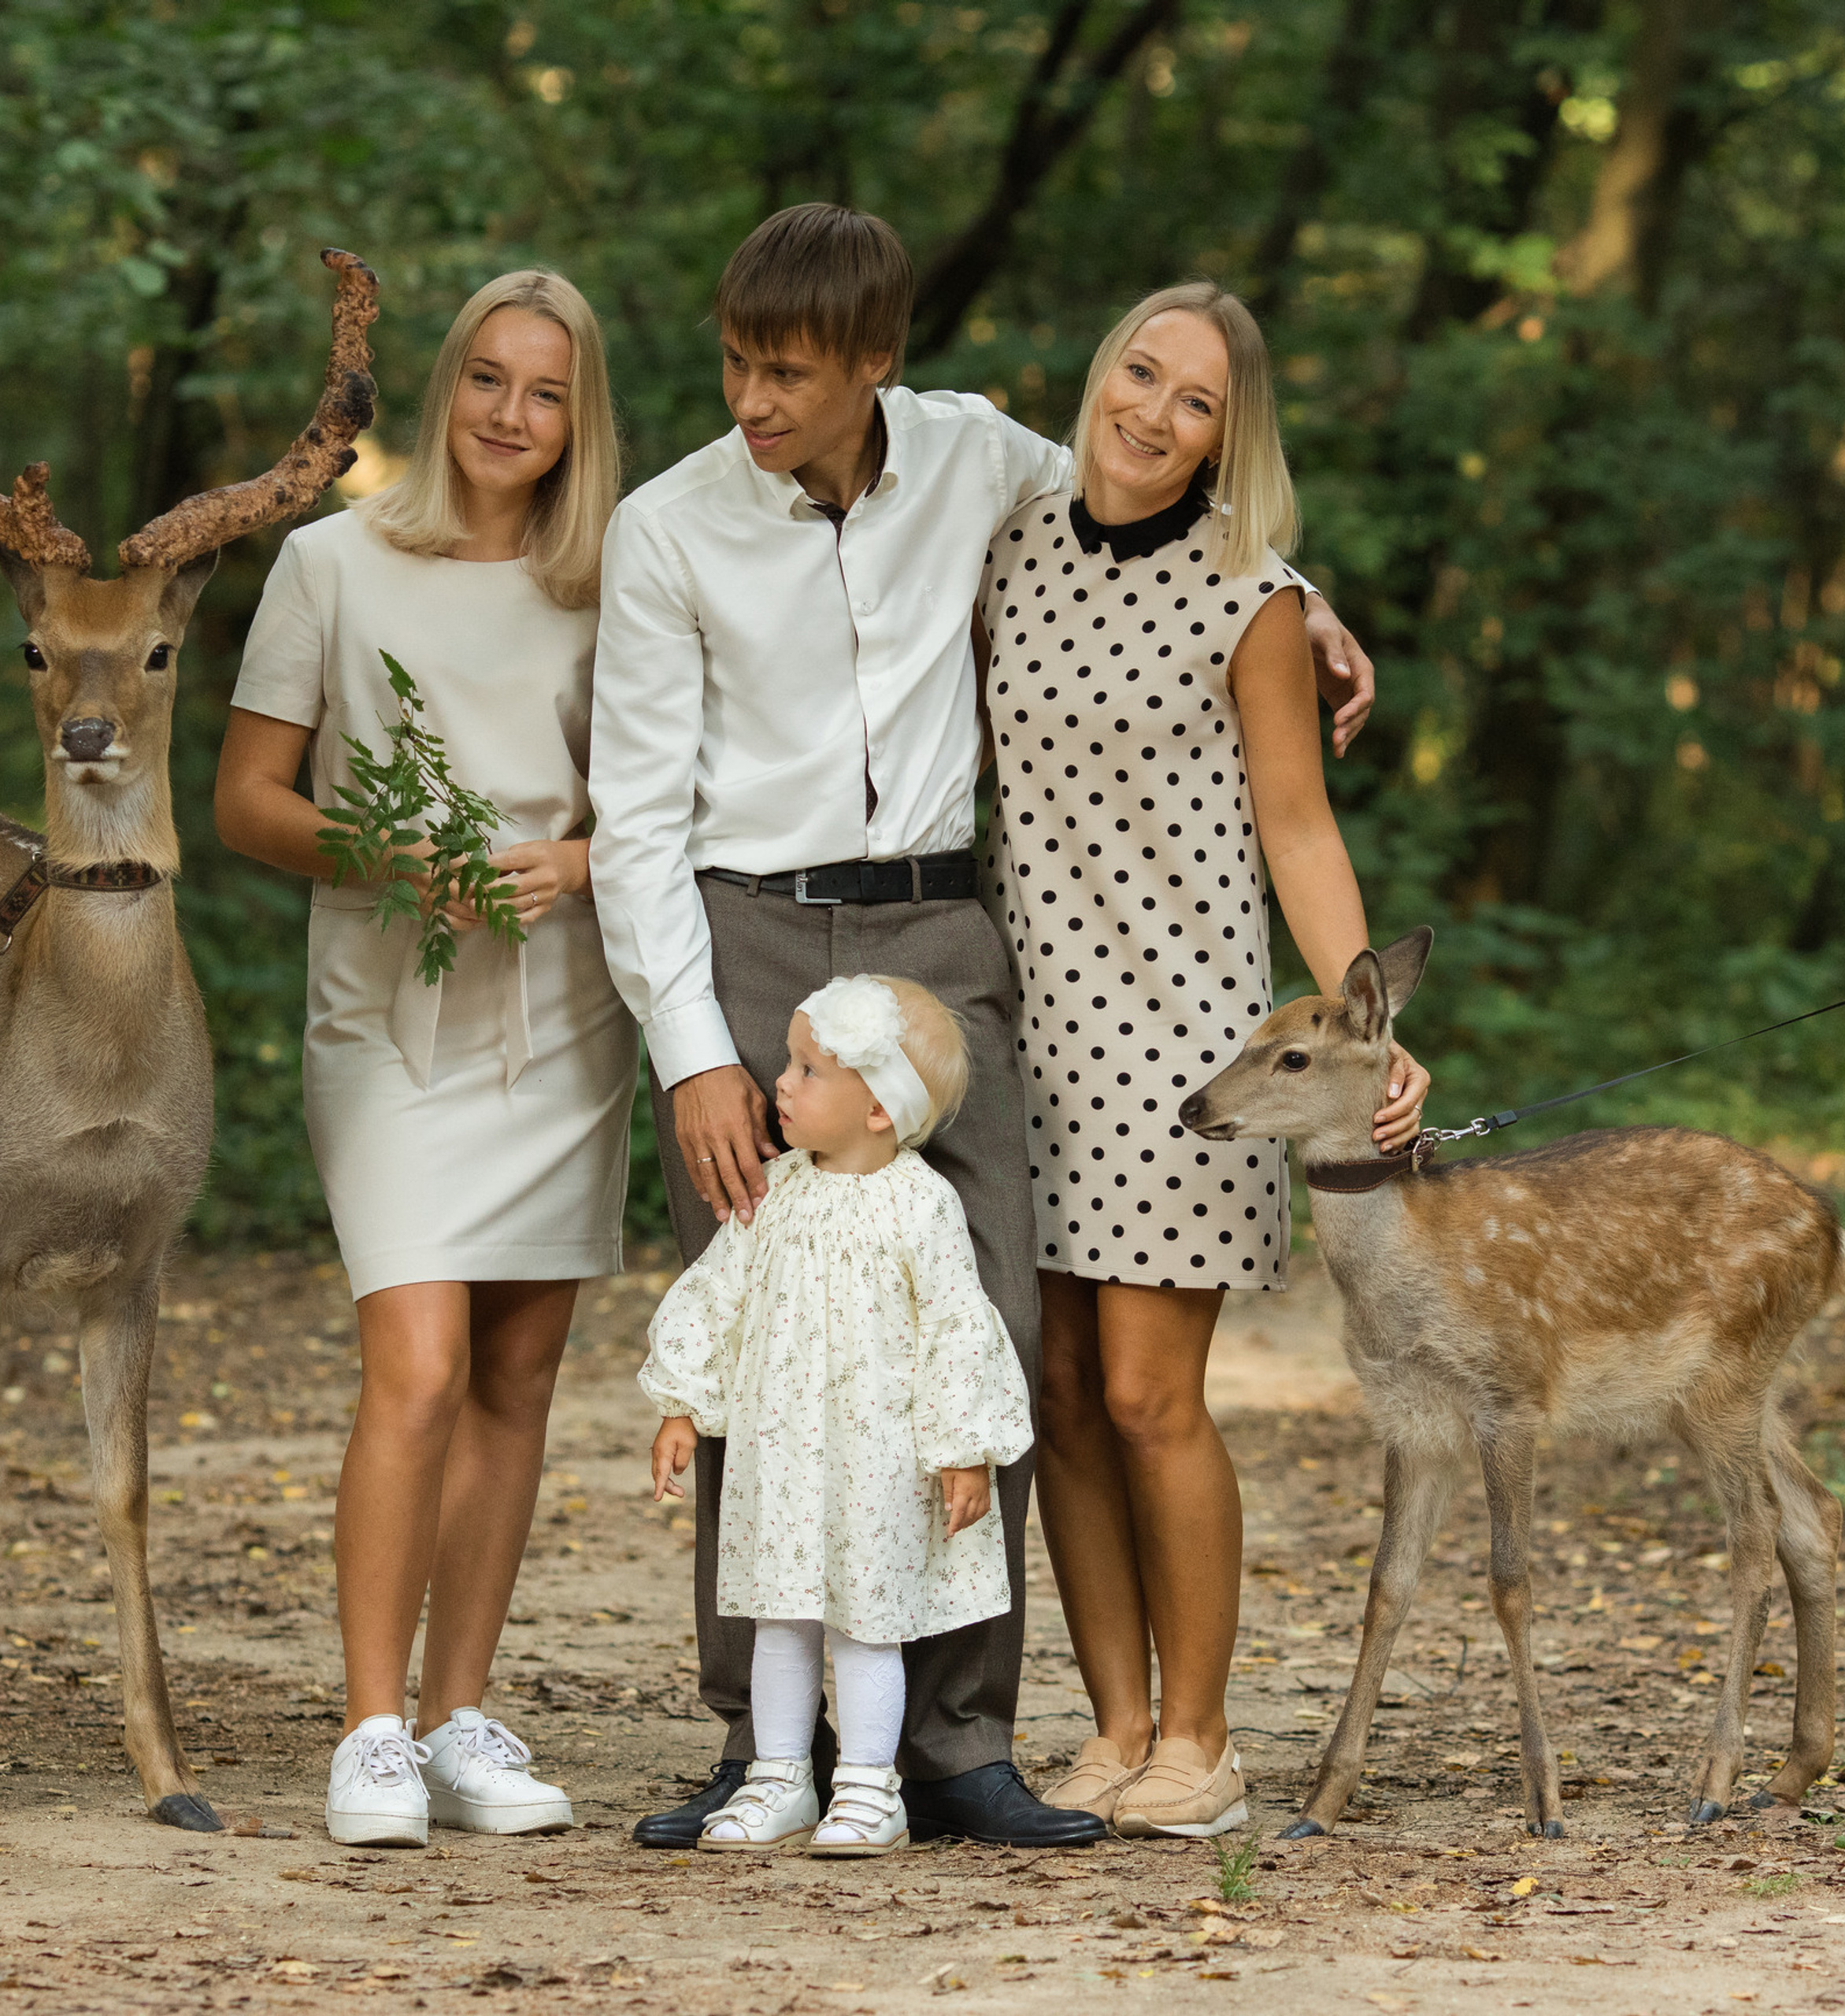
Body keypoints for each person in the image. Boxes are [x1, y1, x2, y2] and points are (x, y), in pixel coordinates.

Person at [588, 202, 1379, 1850]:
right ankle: (763, 1740)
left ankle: (954, 1741)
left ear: (877, 362)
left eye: (789, 370)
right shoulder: (669, 526)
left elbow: (1167, 508)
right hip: (750, 935)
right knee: (771, 1340)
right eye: (736, 363)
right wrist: (690, 1053)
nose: (752, 398)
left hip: (951, 937)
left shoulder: (974, 460)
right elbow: (635, 818)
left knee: (988, 1342)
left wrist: (1298, 607)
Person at [978, 281, 1428, 1837]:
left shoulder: (1252, 599)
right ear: (1094, 369)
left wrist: (1360, 1020)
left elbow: (1296, 822)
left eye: (1197, 405)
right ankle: (1111, 1725)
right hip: (1019, 1026)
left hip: (1180, 1042)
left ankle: (1202, 1735)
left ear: (1230, 443)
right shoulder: (1009, 539)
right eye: (1139, 373)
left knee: (1146, 1393)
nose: (1154, 414)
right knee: (1055, 1394)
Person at [213, 269, 637, 1847]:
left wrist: (575, 866)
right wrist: (395, 857)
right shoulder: (331, 562)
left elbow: (664, 799)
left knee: (518, 1371)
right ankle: (370, 1724)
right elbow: (248, 800)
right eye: (486, 380)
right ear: (442, 385)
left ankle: (461, 1711)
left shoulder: (613, 576)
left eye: (546, 394)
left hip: (561, 1010)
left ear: (577, 419)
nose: (511, 418)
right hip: (386, 1014)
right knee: (419, 1361)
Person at [638, 976, 1032, 1858]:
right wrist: (680, 1403)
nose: (780, 1080)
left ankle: (868, 1785)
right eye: (791, 1060)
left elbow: (958, 1325)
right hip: (780, 1452)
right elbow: (716, 1297)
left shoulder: (921, 1203)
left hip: (876, 1458)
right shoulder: (773, 1192)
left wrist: (964, 1448)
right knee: (779, 1615)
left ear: (878, 1110)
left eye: (808, 1069)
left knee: (866, 1618)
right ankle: (779, 1775)